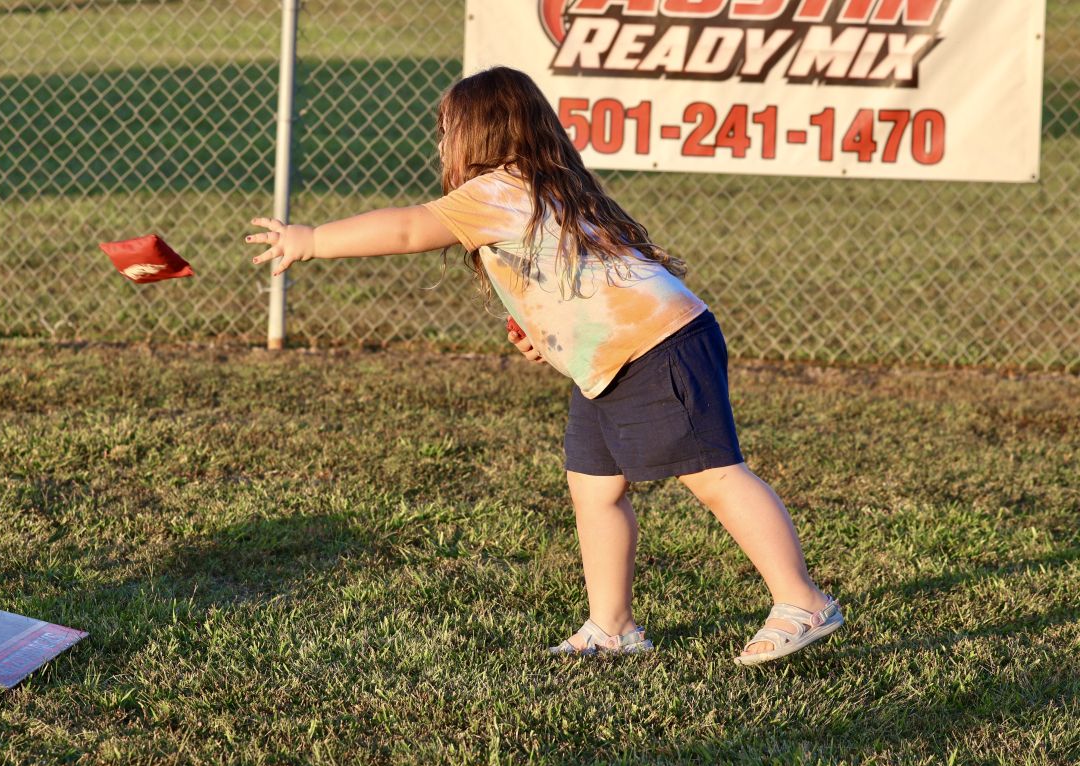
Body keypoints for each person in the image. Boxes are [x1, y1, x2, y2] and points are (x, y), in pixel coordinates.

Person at [245, 66, 842, 665]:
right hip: (612, 359)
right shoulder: (544, 184)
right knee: (594, 490)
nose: (440, 141)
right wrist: (551, 339)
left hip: (655, 345)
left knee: (714, 475)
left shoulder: (496, 190)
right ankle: (612, 628)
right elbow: (577, 285)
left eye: (446, 128)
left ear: (478, 136)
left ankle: (802, 600)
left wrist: (313, 239)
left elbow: (406, 227)